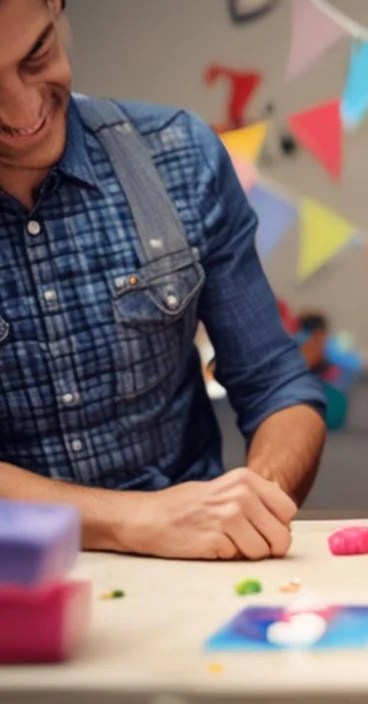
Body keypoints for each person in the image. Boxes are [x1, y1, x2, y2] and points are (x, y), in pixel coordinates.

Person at [0, 0, 327, 559]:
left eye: (36, 55)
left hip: (191, 569)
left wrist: (251, 503)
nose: (21, 110)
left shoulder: (179, 155)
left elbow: (278, 388)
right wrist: (136, 520)